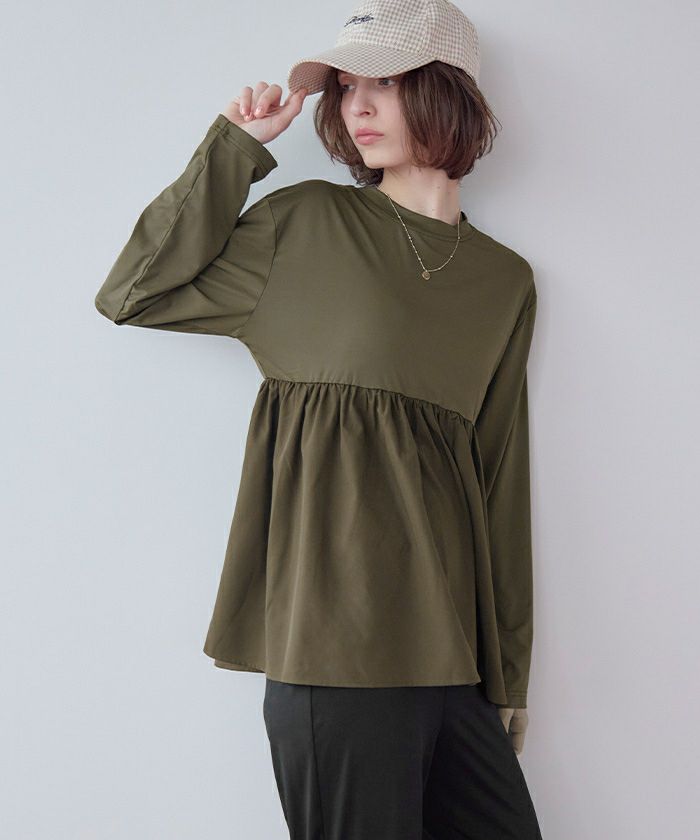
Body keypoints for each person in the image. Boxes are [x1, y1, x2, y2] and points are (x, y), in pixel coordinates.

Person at [94, 0, 543, 837]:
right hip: (335, 654)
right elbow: (132, 293)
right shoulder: (304, 224)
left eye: (385, 84)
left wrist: (507, 672)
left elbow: (499, 481)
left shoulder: (504, 281)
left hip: (453, 660)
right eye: (344, 87)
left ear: (445, 90)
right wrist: (234, 148)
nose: (356, 105)